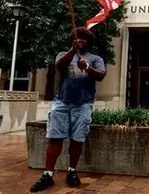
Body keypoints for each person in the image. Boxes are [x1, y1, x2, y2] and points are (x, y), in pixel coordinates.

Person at [30, 27, 106, 192]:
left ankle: (72, 171)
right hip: (62, 102)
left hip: (83, 104)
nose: (82, 41)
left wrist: (87, 67)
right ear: (73, 39)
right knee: (55, 138)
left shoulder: (95, 58)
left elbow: (101, 75)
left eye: (85, 39)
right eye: (79, 38)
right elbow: (60, 66)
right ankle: (48, 174)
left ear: (90, 42)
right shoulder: (63, 54)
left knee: (77, 138)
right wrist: (72, 51)